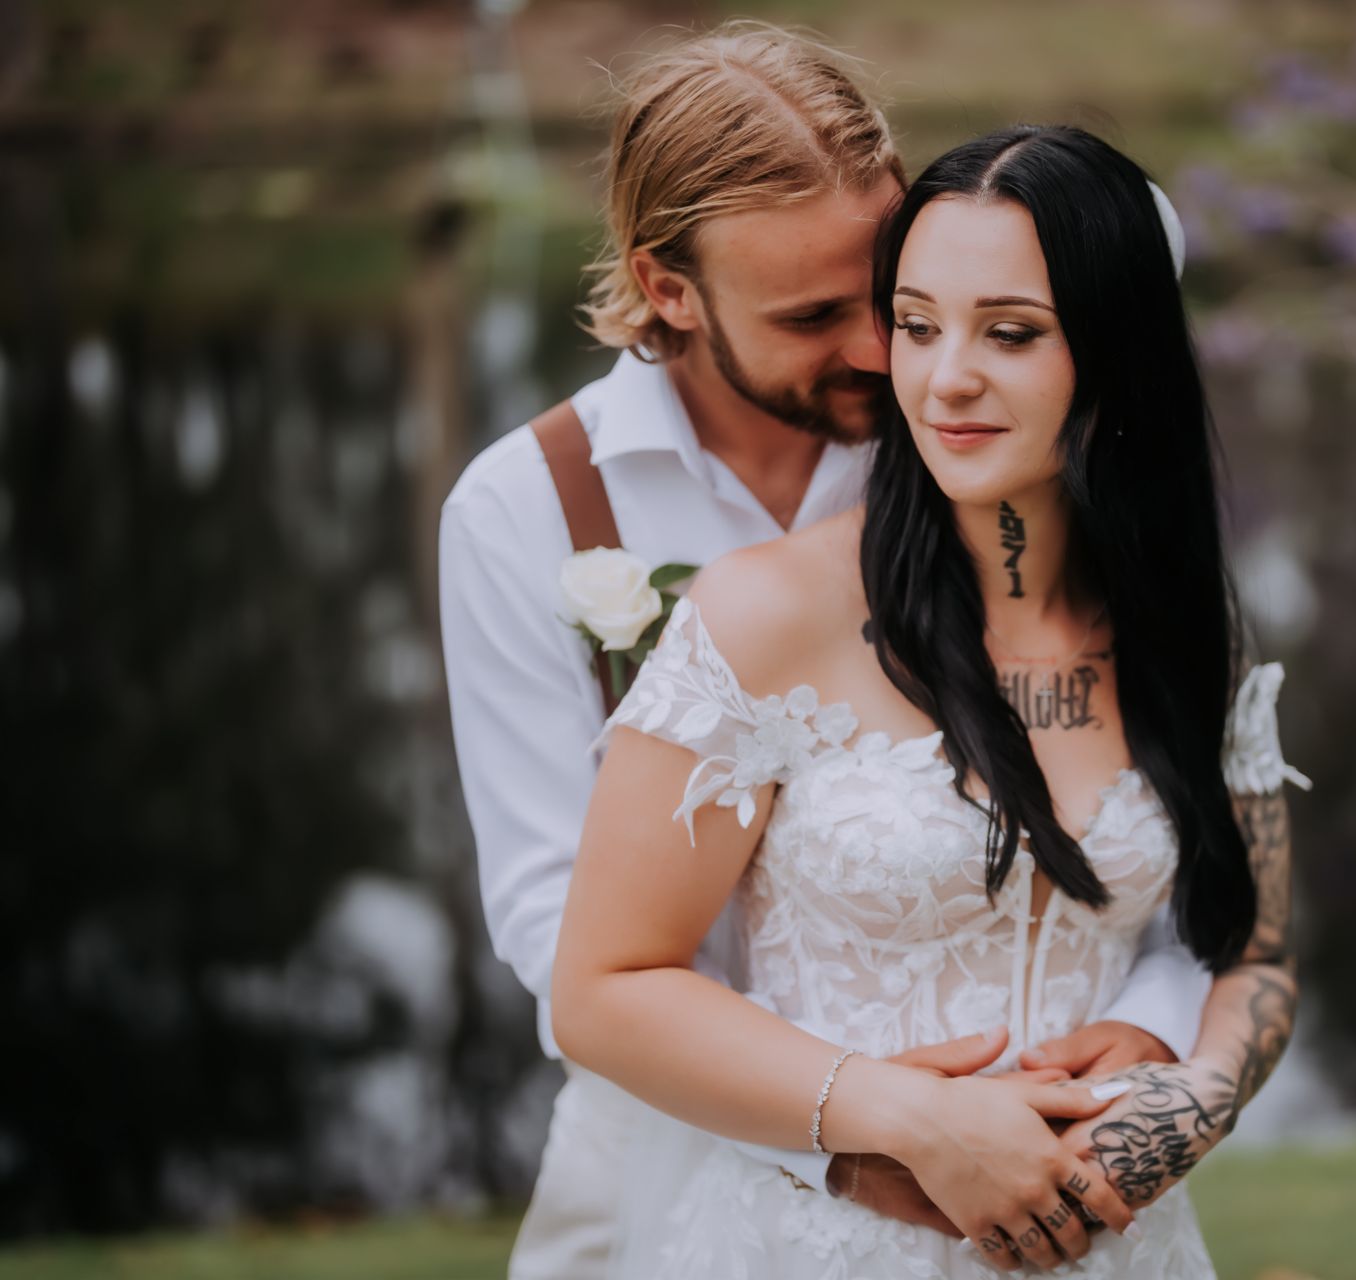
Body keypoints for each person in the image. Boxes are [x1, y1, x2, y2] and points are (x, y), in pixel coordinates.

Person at [439, 27, 1215, 1279]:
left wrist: (1143, 1032)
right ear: (671, 287)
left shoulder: (956, 422)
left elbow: (1128, 246)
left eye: (886, 292)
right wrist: (846, 1129)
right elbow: (552, 917)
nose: (877, 348)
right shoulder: (525, 506)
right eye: (813, 313)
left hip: (1022, 1127)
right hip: (671, 1127)